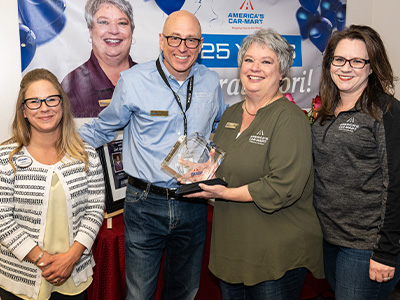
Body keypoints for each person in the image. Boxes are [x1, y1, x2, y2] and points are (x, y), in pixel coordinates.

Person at [78, 10, 226, 300]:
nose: (182, 47)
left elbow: (220, 127)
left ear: (201, 43)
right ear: (161, 40)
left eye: (191, 40)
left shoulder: (211, 81)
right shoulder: (133, 80)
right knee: (140, 294)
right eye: (175, 38)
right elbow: (104, 129)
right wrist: (49, 144)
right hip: (145, 203)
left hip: (193, 201)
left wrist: (213, 157)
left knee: (185, 291)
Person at [185, 28, 324, 300]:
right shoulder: (231, 114)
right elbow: (224, 166)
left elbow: (282, 187)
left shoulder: (290, 118)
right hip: (233, 249)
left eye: (266, 61)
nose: (255, 68)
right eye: (249, 60)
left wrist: (224, 193)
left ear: (282, 71)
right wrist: (205, 173)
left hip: (274, 255)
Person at [0, 69, 105, 300]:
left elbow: (96, 209)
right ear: (24, 111)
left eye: (51, 99)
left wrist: (71, 257)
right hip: (22, 277)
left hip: (74, 273)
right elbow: (2, 219)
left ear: (62, 104)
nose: (44, 108)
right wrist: (42, 259)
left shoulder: (86, 154)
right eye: (34, 102)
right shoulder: (5, 158)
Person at [312, 24, 400, 300]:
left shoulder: (385, 110)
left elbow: (395, 182)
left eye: (357, 61)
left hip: (366, 247)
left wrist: (386, 251)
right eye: (339, 59)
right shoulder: (326, 109)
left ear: (372, 67)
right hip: (329, 240)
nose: (345, 68)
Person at [61, 0, 136, 118]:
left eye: (122, 23)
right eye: (103, 22)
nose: (114, 30)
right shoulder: (72, 86)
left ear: (131, 30)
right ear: (90, 30)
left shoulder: (150, 80)